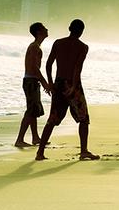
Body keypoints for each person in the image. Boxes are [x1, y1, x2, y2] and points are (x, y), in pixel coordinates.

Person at [35, 19, 99, 161]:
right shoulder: (83, 47)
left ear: (69, 28)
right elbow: (77, 68)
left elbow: (48, 64)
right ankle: (84, 151)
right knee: (84, 118)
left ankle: (40, 152)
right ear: (81, 32)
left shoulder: (58, 43)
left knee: (52, 119)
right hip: (73, 85)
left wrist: (51, 82)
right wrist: (74, 87)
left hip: (58, 84)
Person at [14, 22, 51, 148]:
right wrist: (44, 82)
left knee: (33, 109)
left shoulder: (36, 46)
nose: (47, 29)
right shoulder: (34, 47)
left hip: (32, 81)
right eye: (44, 28)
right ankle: (20, 139)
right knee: (31, 110)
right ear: (39, 32)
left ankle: (35, 137)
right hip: (31, 81)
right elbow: (34, 68)